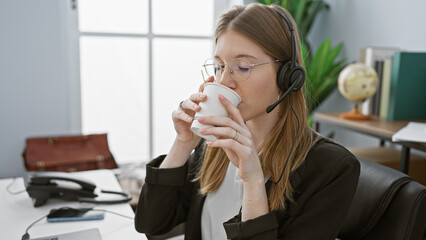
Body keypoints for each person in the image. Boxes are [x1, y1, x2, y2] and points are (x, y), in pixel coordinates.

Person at [135, 3, 360, 240]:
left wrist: (253, 181)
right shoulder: (213, 143)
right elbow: (152, 224)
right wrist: (183, 144)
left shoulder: (332, 168)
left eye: (242, 67)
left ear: (287, 77)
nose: (223, 81)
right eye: (219, 66)